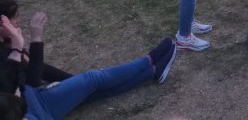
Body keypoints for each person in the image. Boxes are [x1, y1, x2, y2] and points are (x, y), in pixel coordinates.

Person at [0, 9, 176, 119]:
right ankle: (149, 60)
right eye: (9, 21)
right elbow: (31, 79)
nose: (15, 24)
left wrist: (17, 47)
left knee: (90, 87)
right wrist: (32, 40)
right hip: (33, 112)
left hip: (31, 97)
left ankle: (152, 71)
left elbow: (33, 76)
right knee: (92, 79)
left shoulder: (7, 52)